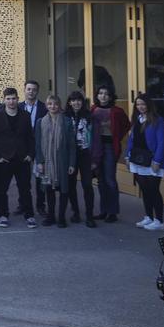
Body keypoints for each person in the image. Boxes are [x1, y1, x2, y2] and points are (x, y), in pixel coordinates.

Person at [0, 88, 37, 229]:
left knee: (25, 189)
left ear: (17, 98)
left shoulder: (25, 116)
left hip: (22, 159)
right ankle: (3, 215)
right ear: (4, 100)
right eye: (8, 98)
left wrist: (30, 155)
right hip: (4, 159)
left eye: (14, 98)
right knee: (1, 190)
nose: (11, 101)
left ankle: (29, 216)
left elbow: (30, 138)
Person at [126, 93, 164, 231]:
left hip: (152, 161)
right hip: (138, 159)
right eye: (138, 104)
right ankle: (149, 217)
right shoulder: (136, 119)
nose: (140, 107)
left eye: (143, 104)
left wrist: (157, 161)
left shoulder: (157, 120)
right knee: (144, 190)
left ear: (149, 105)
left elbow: (161, 142)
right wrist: (127, 155)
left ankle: (159, 221)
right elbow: (131, 139)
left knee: (154, 190)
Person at [36, 94, 77, 228]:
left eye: (55, 104)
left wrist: (71, 163)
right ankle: (51, 216)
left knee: (64, 190)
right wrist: (40, 162)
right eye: (50, 104)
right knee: (49, 190)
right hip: (47, 163)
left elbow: (72, 145)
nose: (53, 106)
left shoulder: (66, 122)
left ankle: (61, 217)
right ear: (46, 106)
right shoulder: (40, 122)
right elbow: (37, 144)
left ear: (59, 106)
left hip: (62, 162)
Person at [90, 85, 128, 223]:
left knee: (110, 179)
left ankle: (113, 212)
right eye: (100, 93)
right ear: (97, 95)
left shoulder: (117, 111)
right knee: (100, 180)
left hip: (110, 147)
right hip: (96, 147)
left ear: (111, 96)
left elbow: (126, 125)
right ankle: (103, 210)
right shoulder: (93, 109)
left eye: (106, 93)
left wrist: (117, 137)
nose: (103, 96)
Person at [64, 91, 97, 227]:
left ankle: (90, 215)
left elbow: (95, 139)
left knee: (87, 185)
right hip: (71, 155)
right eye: (73, 100)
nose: (76, 103)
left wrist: (95, 159)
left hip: (85, 154)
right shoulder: (65, 117)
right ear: (69, 102)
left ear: (82, 102)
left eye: (79, 100)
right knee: (71, 184)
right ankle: (75, 212)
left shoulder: (89, 117)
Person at [21, 79, 48, 216]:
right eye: (29, 89)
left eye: (34, 90)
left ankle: (40, 205)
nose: (31, 92)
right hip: (22, 148)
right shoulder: (18, 107)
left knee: (39, 178)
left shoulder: (44, 108)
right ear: (24, 90)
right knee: (23, 179)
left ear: (38, 91)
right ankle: (23, 204)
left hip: (39, 147)